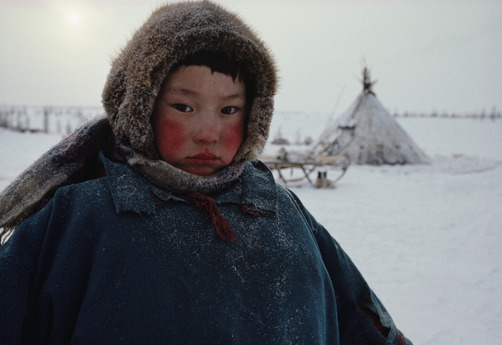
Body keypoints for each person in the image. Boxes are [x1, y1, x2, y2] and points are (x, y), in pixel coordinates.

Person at [0, 1, 412, 344]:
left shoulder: (281, 210)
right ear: (140, 108)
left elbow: (359, 315)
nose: (209, 133)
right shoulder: (77, 218)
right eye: (184, 107)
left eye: (229, 110)